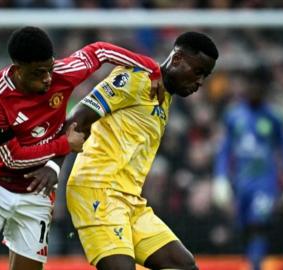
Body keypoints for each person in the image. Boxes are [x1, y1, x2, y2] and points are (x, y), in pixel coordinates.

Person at [0, 26, 163, 270]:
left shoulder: (63, 73)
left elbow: (100, 51)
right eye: (39, 73)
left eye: (49, 68)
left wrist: (152, 68)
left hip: (37, 192)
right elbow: (12, 158)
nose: (48, 78)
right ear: (18, 70)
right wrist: (65, 144)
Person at [66, 32, 218, 270]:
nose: (200, 82)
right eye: (198, 72)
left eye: (205, 76)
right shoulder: (136, 79)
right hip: (98, 190)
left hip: (130, 200)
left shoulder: (164, 95)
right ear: (177, 59)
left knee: (183, 265)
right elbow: (76, 120)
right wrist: (51, 170)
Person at [212, 70, 283, 270]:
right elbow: (224, 150)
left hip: (265, 183)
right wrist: (220, 178)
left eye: (257, 86)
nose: (253, 90)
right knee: (242, 228)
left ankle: (256, 266)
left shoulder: (275, 117)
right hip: (241, 183)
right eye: (249, 85)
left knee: (258, 226)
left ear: (264, 89)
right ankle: (253, 262)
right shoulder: (233, 115)